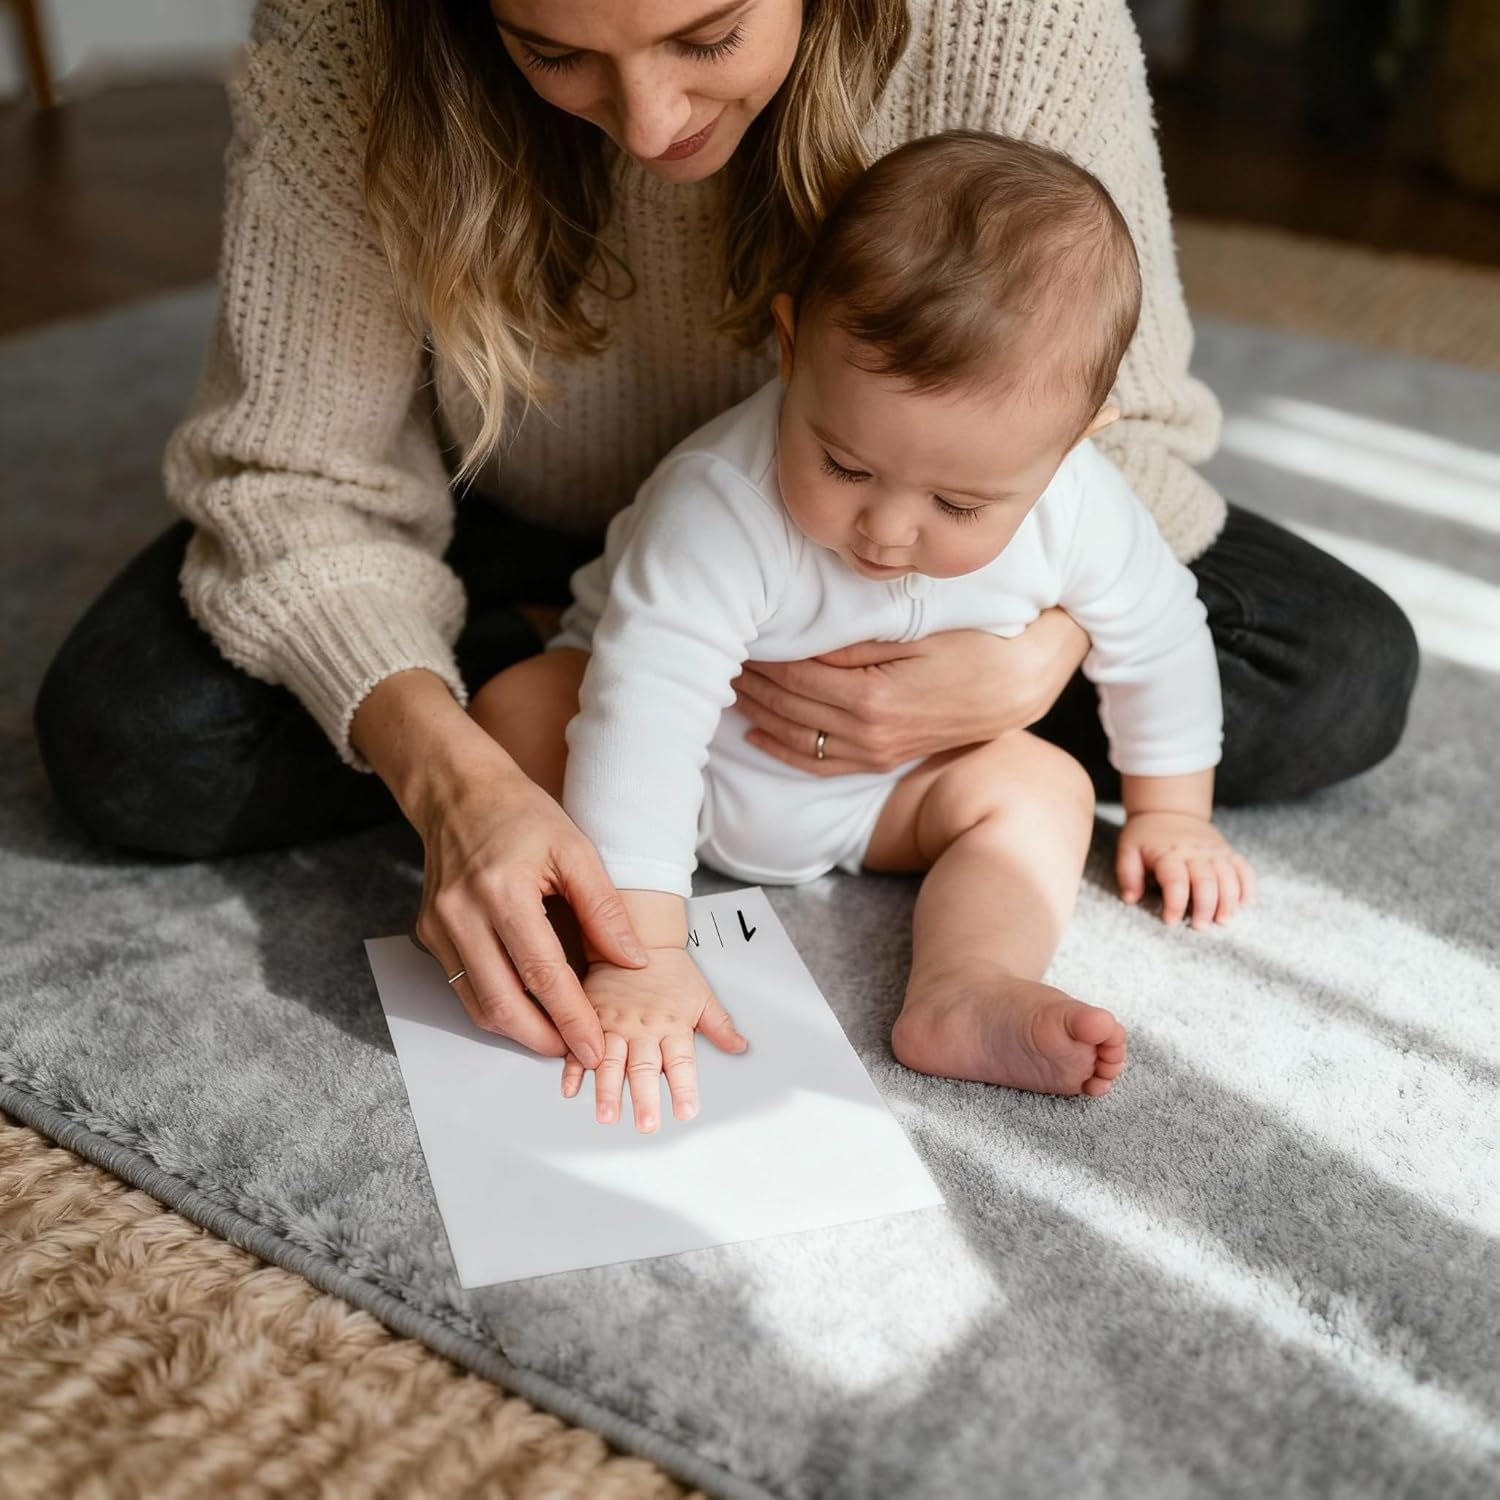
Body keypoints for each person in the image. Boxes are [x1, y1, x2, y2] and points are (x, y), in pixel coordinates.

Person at [33, 2, 1414, 1080]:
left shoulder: (1014, 51)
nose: (646, 123)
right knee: (141, 737)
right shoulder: (722, 501)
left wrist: (1037, 677)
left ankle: (965, 985)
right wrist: (580, 878)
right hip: (551, 558)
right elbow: (310, 489)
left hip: (926, 697)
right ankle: (507, 654)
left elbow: (1134, 516)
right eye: (553, 53)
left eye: (707, 38)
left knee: (1321, 673)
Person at [484, 130, 1255, 1131]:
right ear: (792, 346)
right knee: (518, 711)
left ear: (1073, 444)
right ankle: (590, 915)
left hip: (888, 797)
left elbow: (1160, 637)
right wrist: (648, 953)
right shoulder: (720, 501)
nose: (887, 533)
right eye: (844, 466)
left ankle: (966, 985)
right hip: (684, 767)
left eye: (961, 503)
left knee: (1044, 791)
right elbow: (647, 711)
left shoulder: (1086, 507)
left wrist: (1173, 812)